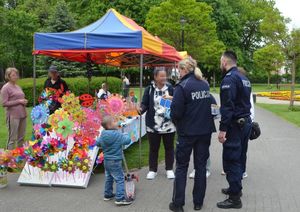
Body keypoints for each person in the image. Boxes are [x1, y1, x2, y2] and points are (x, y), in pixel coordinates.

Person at [169, 59, 216, 212]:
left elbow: (175, 112)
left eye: (178, 70)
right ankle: (198, 202)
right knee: (201, 167)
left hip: (187, 133)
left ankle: (178, 204)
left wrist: (178, 124)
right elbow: (211, 105)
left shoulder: (182, 86)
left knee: (182, 167)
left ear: (183, 69)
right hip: (204, 132)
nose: (178, 73)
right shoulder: (204, 84)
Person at [217, 51, 252, 209]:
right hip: (245, 123)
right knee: (240, 157)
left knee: (232, 160)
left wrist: (222, 129)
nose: (220, 64)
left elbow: (228, 107)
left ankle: (234, 198)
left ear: (225, 62)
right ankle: (234, 188)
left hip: (235, 126)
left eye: (220, 62)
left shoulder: (230, 79)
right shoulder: (244, 78)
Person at [139, 67, 176, 180]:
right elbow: (145, 104)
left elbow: (177, 101)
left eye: (165, 75)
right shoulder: (149, 89)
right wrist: (140, 109)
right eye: (161, 76)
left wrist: (172, 98)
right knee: (153, 149)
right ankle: (152, 170)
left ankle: (169, 169)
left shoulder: (170, 88)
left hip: (168, 125)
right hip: (153, 125)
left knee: (169, 148)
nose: (164, 78)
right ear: (155, 77)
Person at [96, 116, 132, 205]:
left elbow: (97, 143)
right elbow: (127, 141)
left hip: (107, 160)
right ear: (109, 125)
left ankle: (108, 194)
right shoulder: (117, 135)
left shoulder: (103, 134)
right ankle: (120, 198)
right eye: (114, 121)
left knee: (109, 177)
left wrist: (119, 124)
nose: (116, 123)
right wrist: (126, 133)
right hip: (115, 161)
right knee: (119, 178)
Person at [1, 68, 28, 150]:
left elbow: (20, 98)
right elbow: (4, 103)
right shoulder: (5, 88)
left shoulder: (18, 86)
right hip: (13, 116)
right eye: (13, 75)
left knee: (21, 137)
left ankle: (19, 156)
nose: (15, 76)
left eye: (16, 74)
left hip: (22, 114)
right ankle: (9, 157)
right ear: (8, 76)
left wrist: (24, 101)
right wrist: (19, 101)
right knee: (12, 138)